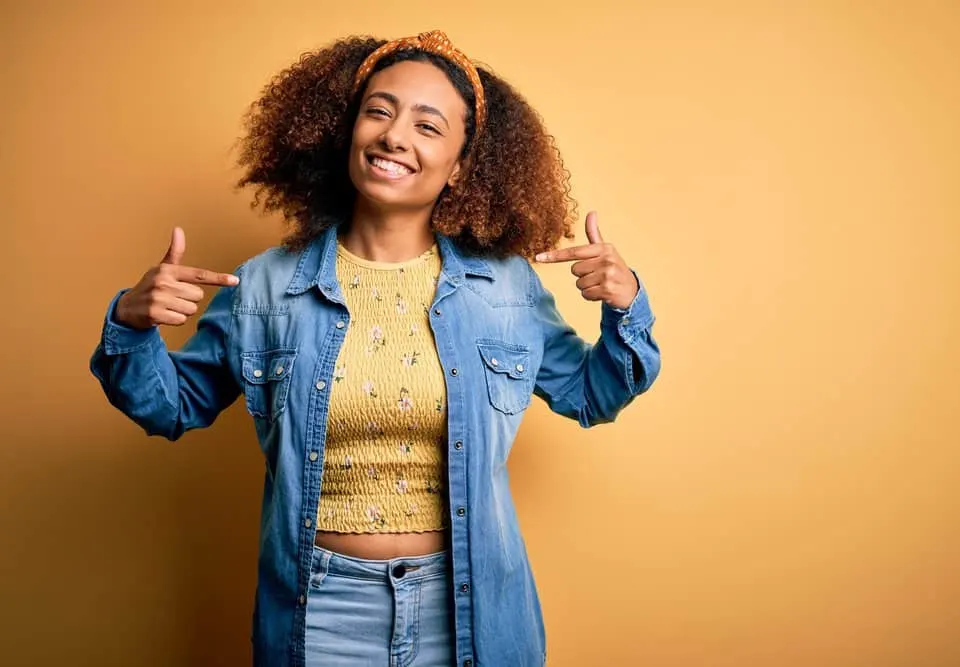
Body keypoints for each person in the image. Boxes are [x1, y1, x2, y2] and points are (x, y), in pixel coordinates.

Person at [90, 30, 660, 667]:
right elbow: (171, 407)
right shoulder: (265, 286)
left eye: (428, 125)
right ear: (348, 131)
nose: (395, 136)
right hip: (319, 613)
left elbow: (593, 394)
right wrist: (131, 325)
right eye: (379, 111)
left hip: (469, 611)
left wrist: (624, 304)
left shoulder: (504, 290)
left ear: (462, 164)